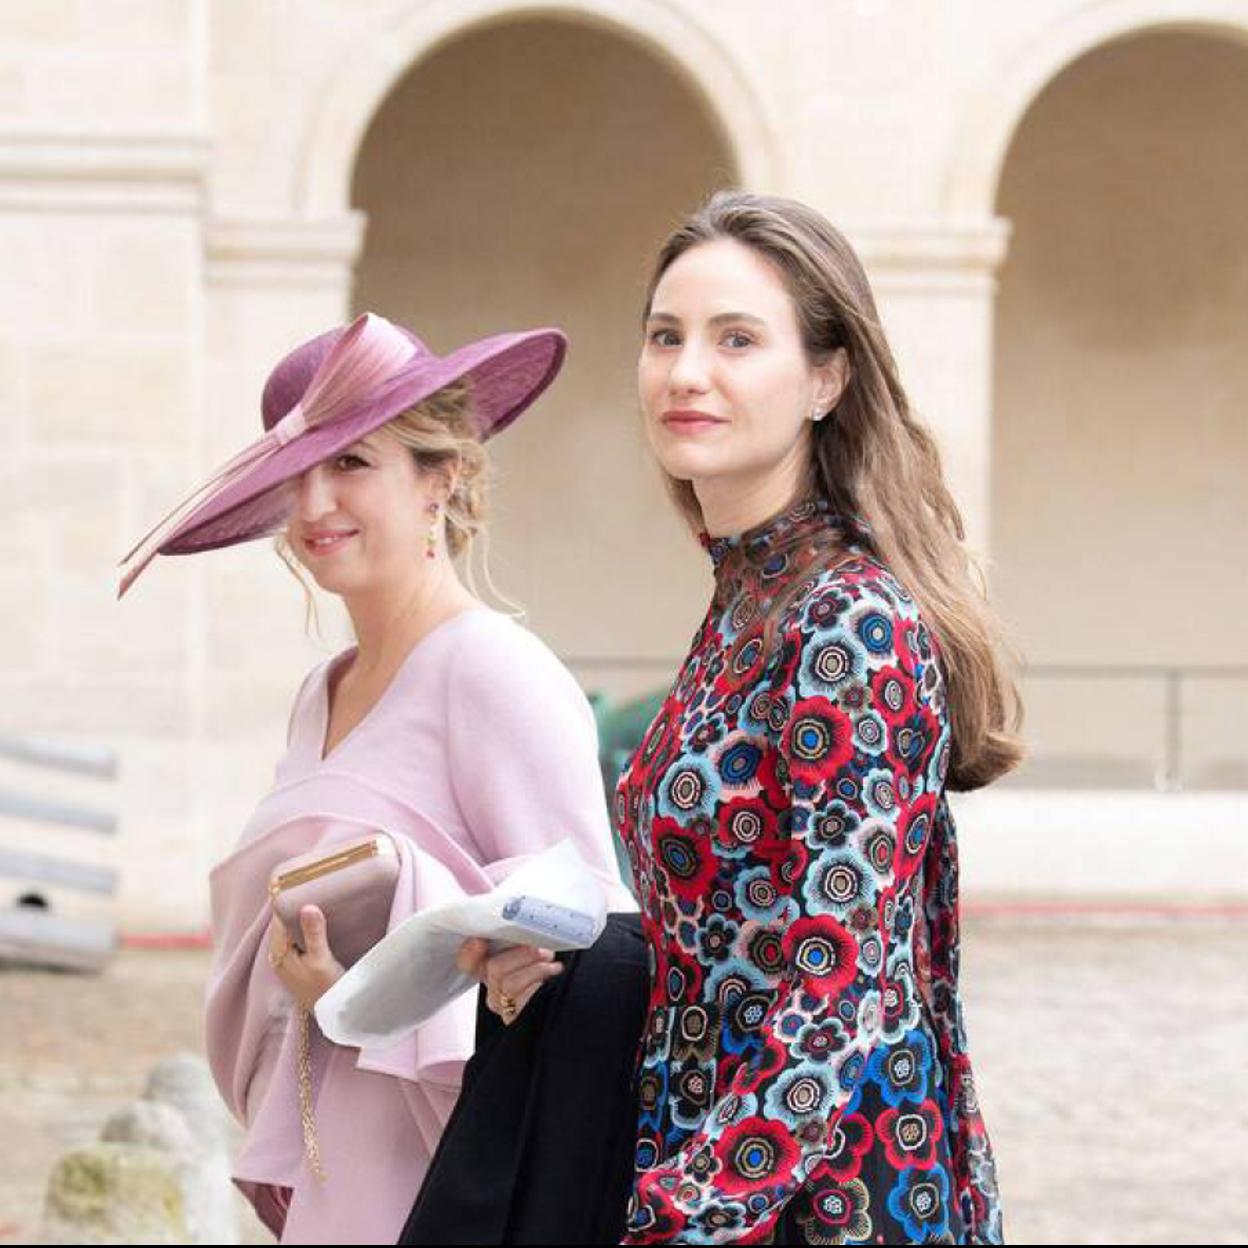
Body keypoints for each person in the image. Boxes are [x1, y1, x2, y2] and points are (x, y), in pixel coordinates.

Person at [462, 191, 1021, 1245]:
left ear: (825, 378)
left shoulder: (848, 621)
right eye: (665, 336)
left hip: (827, 1199)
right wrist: (565, 961)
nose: (686, 371)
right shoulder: (750, 600)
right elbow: (731, 932)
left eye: (736, 340)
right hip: (711, 1164)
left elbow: (839, 981)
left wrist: (676, 1218)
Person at [118, 312, 633, 1244]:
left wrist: (365, 1002)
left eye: (352, 463)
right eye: (296, 474)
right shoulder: (320, 693)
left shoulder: (491, 671)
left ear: (444, 476)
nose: (315, 504)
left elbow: (592, 964)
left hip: (451, 1184)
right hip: (338, 1154)